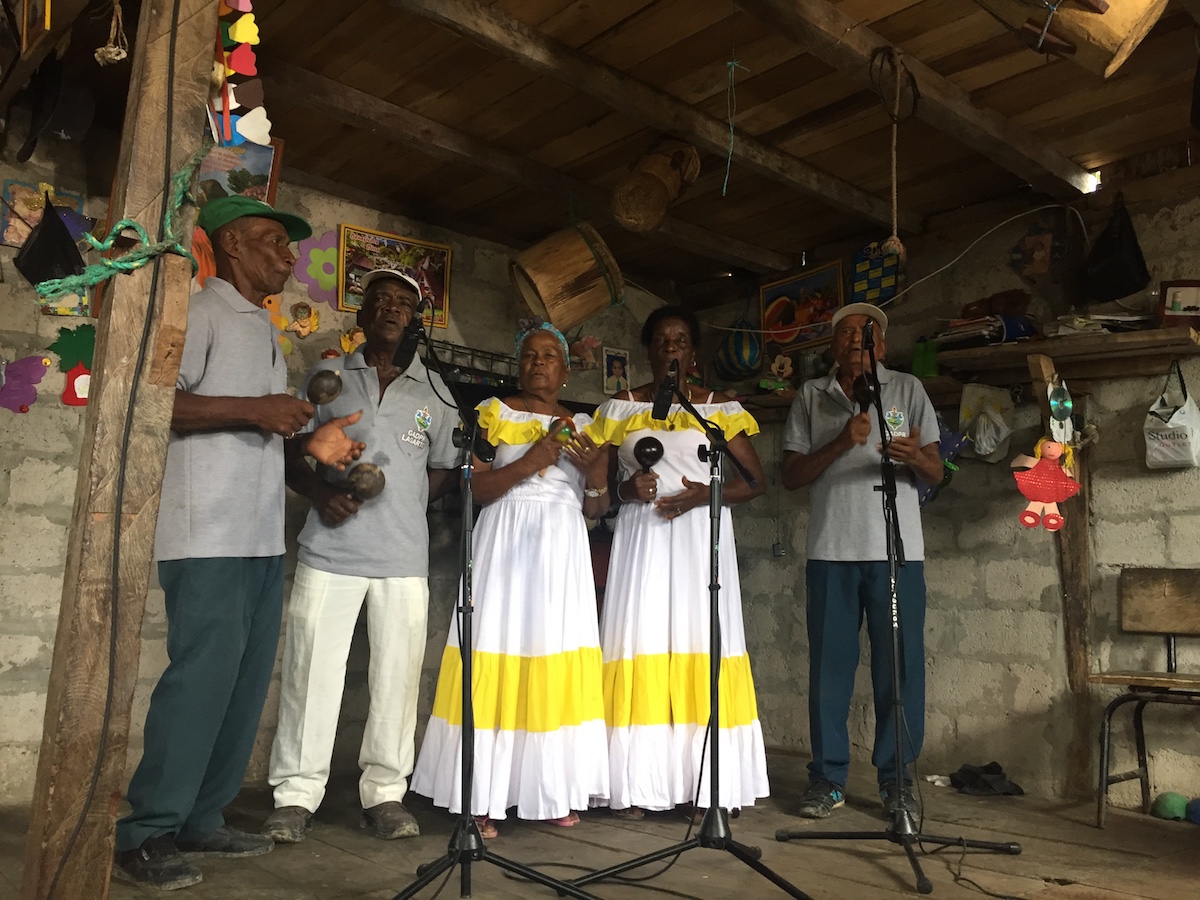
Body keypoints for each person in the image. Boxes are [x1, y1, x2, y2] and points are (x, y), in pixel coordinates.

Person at [114, 196, 365, 890]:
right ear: (229, 244)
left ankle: (201, 817)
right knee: (199, 683)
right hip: (205, 533)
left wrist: (314, 467)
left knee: (242, 686)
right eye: (272, 244)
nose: (288, 257)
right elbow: (151, 400)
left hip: (257, 536)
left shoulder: (262, 327)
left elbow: (264, 431)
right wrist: (257, 409)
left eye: (288, 248)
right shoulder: (200, 312)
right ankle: (146, 833)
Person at [262, 269, 459, 844]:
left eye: (404, 302)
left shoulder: (436, 394)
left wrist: (410, 500)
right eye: (381, 300)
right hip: (330, 550)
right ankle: (296, 795)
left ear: (414, 318)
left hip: (403, 557)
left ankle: (386, 793)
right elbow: (293, 454)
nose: (392, 309)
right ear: (362, 313)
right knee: (310, 674)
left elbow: (445, 471)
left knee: (397, 679)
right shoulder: (327, 379)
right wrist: (322, 494)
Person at [411, 324, 611, 838]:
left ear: (566, 371)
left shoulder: (587, 426)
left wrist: (596, 478)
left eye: (549, 357)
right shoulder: (492, 414)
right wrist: (535, 460)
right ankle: (482, 793)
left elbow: (598, 508)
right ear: (518, 365)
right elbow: (473, 488)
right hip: (503, 543)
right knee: (494, 656)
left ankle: (552, 787)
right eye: (529, 356)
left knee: (552, 657)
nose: (538, 364)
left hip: (562, 549)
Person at [586, 306, 769, 818]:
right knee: (640, 642)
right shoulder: (617, 410)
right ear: (648, 349)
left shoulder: (718, 410)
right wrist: (626, 489)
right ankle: (636, 786)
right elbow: (597, 488)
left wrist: (701, 496)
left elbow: (753, 483)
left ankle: (701, 785)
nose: (671, 347)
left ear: (692, 354)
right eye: (663, 339)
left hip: (697, 538)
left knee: (697, 643)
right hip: (642, 536)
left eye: (681, 340)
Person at [780, 302, 942, 820]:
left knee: (900, 669)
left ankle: (897, 782)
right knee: (830, 669)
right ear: (832, 346)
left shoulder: (908, 390)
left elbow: (936, 472)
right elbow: (791, 475)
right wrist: (841, 441)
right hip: (831, 551)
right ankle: (827, 779)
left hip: (898, 554)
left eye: (866, 333)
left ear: (882, 346)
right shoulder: (812, 395)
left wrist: (914, 457)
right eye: (846, 332)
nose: (856, 339)